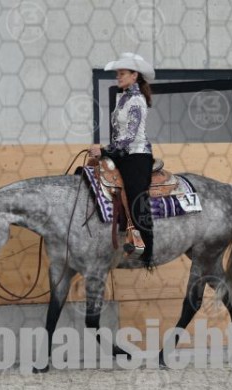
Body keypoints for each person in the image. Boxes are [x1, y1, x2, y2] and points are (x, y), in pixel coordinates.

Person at [89, 52, 155, 268]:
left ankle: (146, 248)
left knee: (136, 196)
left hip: (137, 157)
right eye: (117, 73)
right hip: (123, 154)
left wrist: (105, 150)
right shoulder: (124, 98)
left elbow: (130, 136)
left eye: (122, 73)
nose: (118, 77)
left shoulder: (136, 100)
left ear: (134, 76)